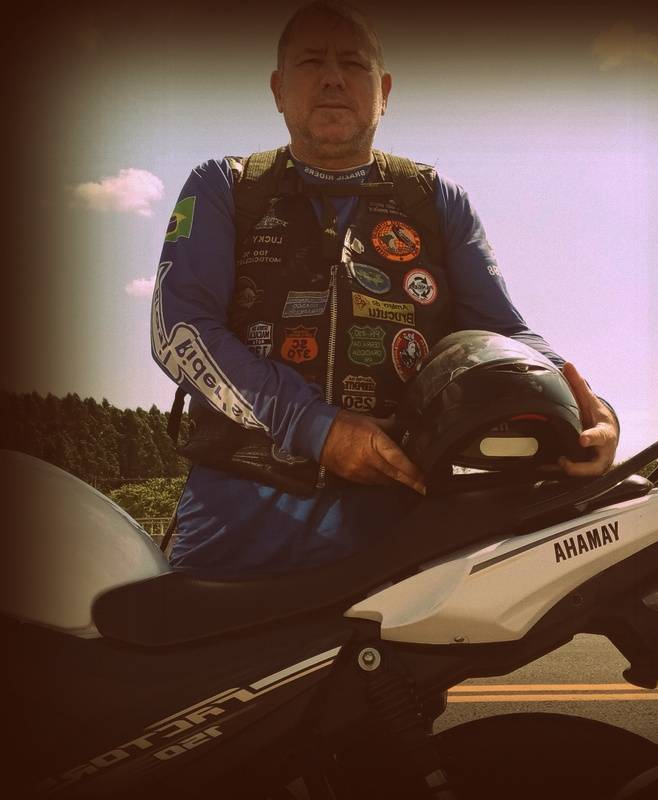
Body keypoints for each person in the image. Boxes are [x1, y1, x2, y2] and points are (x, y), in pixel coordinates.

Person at [152, 0, 619, 574]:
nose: (332, 77)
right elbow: (179, 331)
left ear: (385, 90)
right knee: (180, 633)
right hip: (235, 517)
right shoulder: (225, 186)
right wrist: (315, 427)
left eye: (353, 63)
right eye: (310, 62)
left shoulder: (436, 198)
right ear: (277, 89)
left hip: (405, 520)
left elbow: (504, 334)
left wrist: (589, 409)